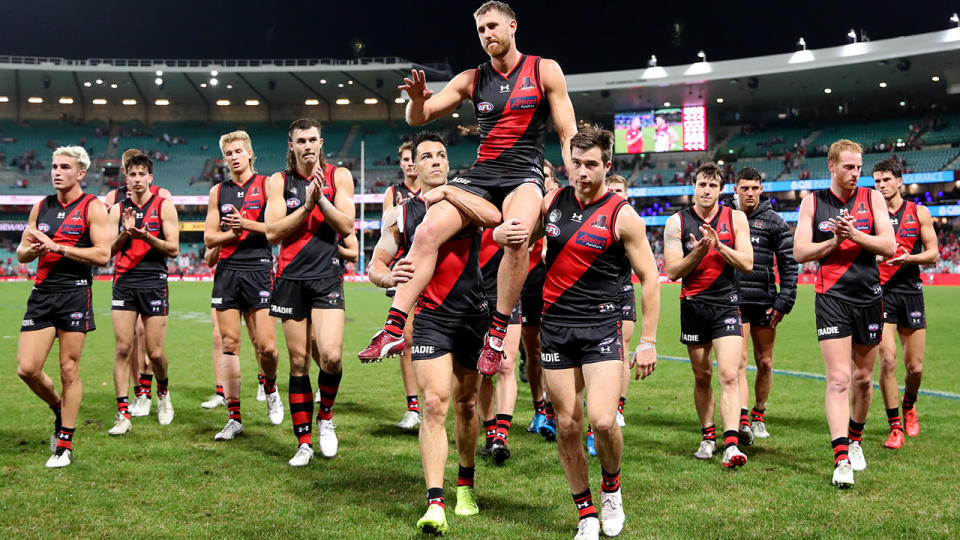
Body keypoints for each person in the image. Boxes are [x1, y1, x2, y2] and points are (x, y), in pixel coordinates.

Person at [359, 1, 577, 380]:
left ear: (512, 26)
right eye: (480, 30)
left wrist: (576, 182)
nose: (487, 34)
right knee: (427, 230)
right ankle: (394, 329)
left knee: (517, 235)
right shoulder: (471, 79)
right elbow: (419, 117)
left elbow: (567, 133)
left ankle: (496, 333)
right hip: (481, 175)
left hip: (523, 175)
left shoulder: (544, 70)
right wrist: (415, 101)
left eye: (493, 26)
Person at [494, 126, 659, 540]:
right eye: (575, 164)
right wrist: (499, 233)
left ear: (607, 166)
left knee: (603, 421)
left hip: (602, 327)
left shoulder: (623, 215)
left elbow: (650, 279)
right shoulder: (552, 202)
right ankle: (585, 512)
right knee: (567, 423)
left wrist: (648, 341)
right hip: (556, 328)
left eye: (590, 165)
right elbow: (518, 241)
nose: (581, 173)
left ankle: (611, 488)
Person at [367, 132, 501, 535]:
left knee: (465, 405)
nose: (437, 161)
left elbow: (492, 217)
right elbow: (375, 264)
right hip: (431, 319)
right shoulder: (400, 216)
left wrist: (446, 195)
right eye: (427, 156)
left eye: (442, 155)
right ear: (413, 166)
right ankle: (436, 502)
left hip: (474, 314)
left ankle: (466, 483)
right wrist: (386, 276)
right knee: (434, 404)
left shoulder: (469, 196)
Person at [794, 139, 895, 488]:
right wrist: (834, 242)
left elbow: (889, 245)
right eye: (849, 167)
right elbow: (800, 251)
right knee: (838, 378)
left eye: (858, 167)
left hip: (868, 297)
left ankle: (855, 439)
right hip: (831, 298)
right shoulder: (813, 202)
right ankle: (840, 459)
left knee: (864, 379)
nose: (856, 173)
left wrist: (855, 235)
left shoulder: (873, 198)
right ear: (832, 167)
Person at [264, 118, 356, 465]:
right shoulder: (279, 181)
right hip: (290, 280)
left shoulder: (339, 176)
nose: (307, 145)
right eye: (300, 140)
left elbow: (347, 226)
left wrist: (320, 201)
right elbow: (273, 233)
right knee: (299, 362)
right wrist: (304, 206)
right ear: (291, 146)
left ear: (321, 143)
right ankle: (303, 442)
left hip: (326, 276)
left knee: (331, 356)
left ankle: (326, 417)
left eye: (312, 139)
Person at [16, 146, 110, 467]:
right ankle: (58, 406)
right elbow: (22, 254)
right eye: (54, 166)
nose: (57, 171)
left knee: (69, 369)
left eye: (65, 167)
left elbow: (102, 255)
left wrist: (59, 247)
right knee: (27, 368)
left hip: (75, 293)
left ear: (80, 173)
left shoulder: (93, 207)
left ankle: (65, 445)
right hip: (42, 293)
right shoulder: (41, 205)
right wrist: (33, 249)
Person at [663, 162, 753, 469]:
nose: (706, 190)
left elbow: (747, 262)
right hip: (693, 305)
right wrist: (699, 251)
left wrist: (718, 246)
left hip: (726, 305)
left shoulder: (736, 218)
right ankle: (708, 435)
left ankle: (730, 444)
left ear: (721, 189)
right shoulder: (676, 222)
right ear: (693, 187)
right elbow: (673, 271)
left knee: (729, 374)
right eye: (702, 184)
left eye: (712, 185)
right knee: (702, 376)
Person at [204, 130, 283, 441]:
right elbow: (210, 238)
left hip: (260, 269)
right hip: (227, 271)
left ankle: (271, 386)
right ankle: (234, 417)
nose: (234, 157)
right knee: (229, 344)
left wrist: (246, 225)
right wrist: (232, 235)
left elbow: (276, 229)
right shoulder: (217, 192)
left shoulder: (267, 184)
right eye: (229, 153)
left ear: (250, 154)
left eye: (239, 151)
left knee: (267, 346)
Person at [106, 153, 179, 434]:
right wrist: (126, 233)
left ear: (151, 178)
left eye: (141, 175)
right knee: (123, 348)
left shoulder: (164, 205)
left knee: (156, 352)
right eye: (132, 175)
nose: (137, 180)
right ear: (126, 178)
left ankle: (162, 393)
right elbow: (107, 252)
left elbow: (173, 249)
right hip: (124, 280)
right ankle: (123, 414)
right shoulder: (117, 209)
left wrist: (146, 236)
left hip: (154, 280)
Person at [727, 167, 797, 442]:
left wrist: (785, 299)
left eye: (755, 188)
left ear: (761, 189)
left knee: (765, 362)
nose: (750, 193)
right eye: (745, 188)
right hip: (735, 300)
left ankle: (758, 415)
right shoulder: (727, 218)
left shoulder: (775, 222)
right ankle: (743, 418)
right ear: (736, 189)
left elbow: (790, 264)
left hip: (766, 302)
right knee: (740, 361)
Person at [872, 157, 938, 449]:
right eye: (876, 181)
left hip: (910, 291)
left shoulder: (918, 212)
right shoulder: (871, 215)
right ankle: (894, 426)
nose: (881, 186)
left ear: (899, 181)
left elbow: (934, 253)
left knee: (915, 368)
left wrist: (908, 258)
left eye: (886, 180)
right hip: (881, 293)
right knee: (887, 361)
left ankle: (909, 404)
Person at [382, 141, 423, 430]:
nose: (410, 164)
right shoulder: (393, 193)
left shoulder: (436, 189)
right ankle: (412, 408)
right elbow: (389, 230)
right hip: (406, 271)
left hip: (435, 272)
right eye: (405, 159)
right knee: (406, 340)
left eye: (413, 159)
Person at [475, 228, 521, 465]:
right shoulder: (471, 204)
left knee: (506, 364)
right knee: (483, 369)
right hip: (475, 294)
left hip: (508, 293)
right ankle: (490, 429)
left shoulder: (513, 204)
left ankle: (501, 435)